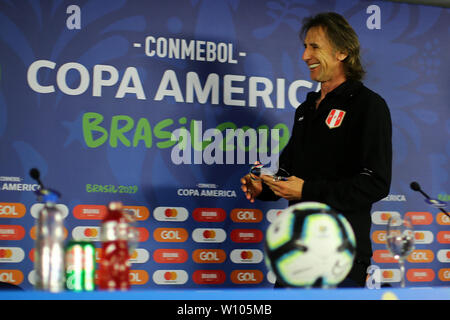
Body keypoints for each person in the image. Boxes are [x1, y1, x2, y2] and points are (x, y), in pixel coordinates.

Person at [240, 12, 392, 288]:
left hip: (340, 256)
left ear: (342, 52)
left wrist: (307, 191)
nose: (305, 56)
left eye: (314, 47)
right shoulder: (306, 109)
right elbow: (289, 173)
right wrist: (264, 187)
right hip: (295, 252)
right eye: (304, 47)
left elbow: (375, 182)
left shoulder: (368, 105)